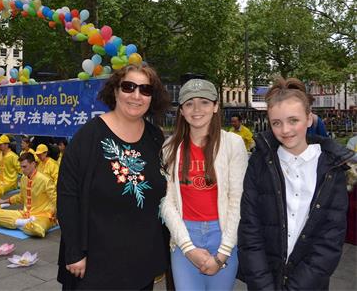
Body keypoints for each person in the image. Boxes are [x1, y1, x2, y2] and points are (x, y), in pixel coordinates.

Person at [57, 64, 170, 290]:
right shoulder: (89, 136)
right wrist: (74, 252)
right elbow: (67, 196)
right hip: (96, 264)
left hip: (142, 262)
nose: (136, 96)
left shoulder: (156, 138)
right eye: (129, 87)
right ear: (115, 91)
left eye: (145, 90)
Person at [238, 78, 353, 290]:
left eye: (293, 120)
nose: (285, 130)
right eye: (276, 123)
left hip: (310, 283)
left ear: (309, 119)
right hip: (265, 281)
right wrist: (263, 285)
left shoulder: (332, 168)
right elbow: (249, 230)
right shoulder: (259, 163)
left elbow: (330, 239)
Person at [160, 79, 248, 290]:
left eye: (204, 102)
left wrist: (223, 253)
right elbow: (167, 202)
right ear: (181, 110)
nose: (197, 109)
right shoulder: (170, 147)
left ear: (216, 106)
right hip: (184, 235)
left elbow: (237, 199)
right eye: (189, 103)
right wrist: (188, 248)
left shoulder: (233, 144)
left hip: (223, 234)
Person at [0, 153, 56, 237]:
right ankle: (23, 223)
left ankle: (19, 224)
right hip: (26, 214)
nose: (22, 170)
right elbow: (21, 197)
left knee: (37, 229)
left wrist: (57, 216)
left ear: (33, 164)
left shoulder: (45, 180)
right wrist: (4, 201)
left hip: (42, 216)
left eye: (24, 167)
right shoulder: (23, 178)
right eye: (21, 167)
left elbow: (56, 200)